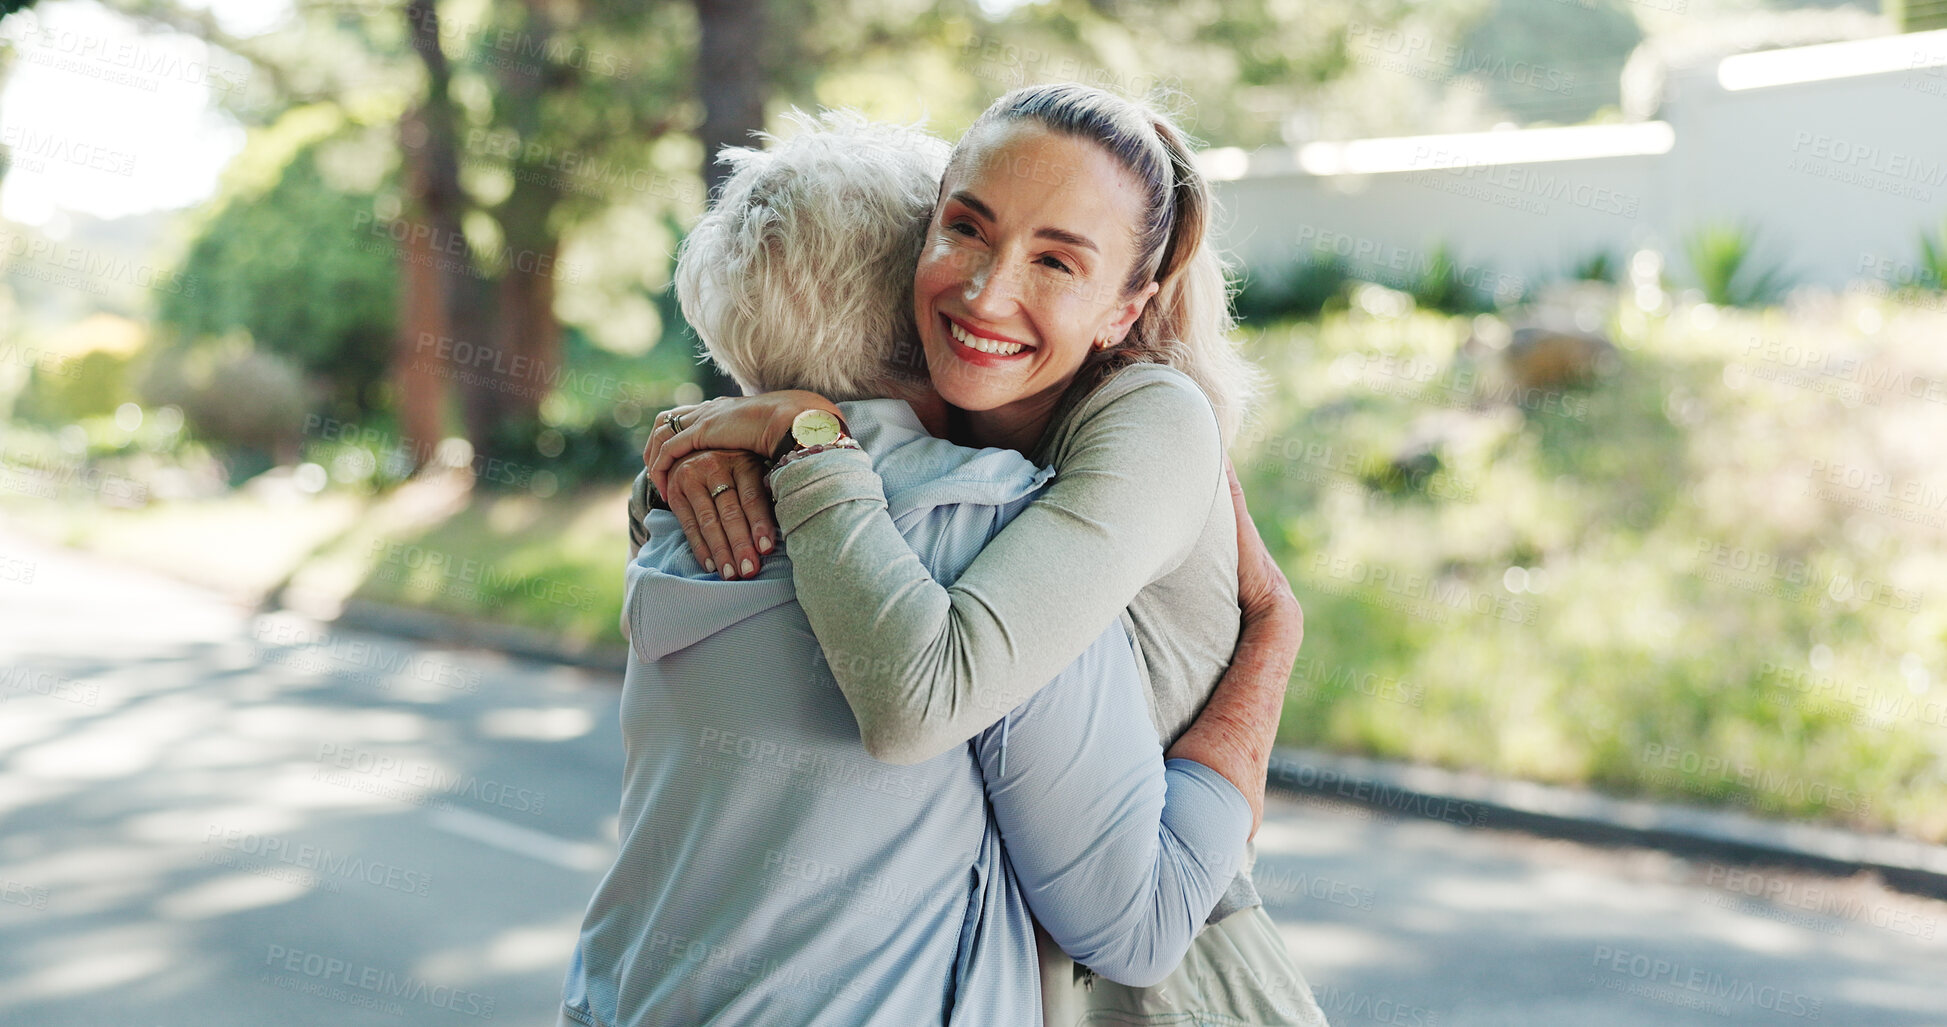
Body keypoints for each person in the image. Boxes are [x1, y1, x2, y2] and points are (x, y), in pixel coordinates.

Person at [564, 110, 1300, 1027]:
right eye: (963, 228)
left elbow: (922, 698)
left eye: (1057, 259)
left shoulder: (1077, 460)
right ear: (907, 263)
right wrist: (690, 464)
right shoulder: (887, 494)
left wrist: (1276, 625)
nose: (988, 295)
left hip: (1167, 991)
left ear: (1128, 306)